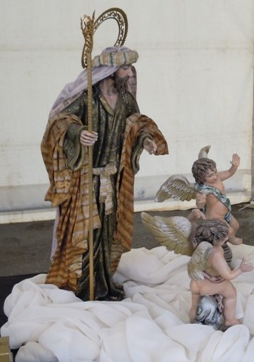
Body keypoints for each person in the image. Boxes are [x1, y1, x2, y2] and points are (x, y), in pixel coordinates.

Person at [42, 46, 168, 301]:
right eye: (125, 68)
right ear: (109, 70)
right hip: (85, 181)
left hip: (112, 179)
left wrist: (145, 140)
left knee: (107, 233)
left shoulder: (125, 99)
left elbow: (136, 123)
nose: (130, 73)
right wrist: (77, 133)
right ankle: (84, 286)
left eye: (130, 68)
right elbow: (59, 121)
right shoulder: (87, 98)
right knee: (87, 233)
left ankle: (104, 282)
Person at [188, 219, 253, 328]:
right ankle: (230, 320)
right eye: (224, 237)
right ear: (216, 239)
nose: (227, 238)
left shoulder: (198, 245)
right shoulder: (216, 253)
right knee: (231, 294)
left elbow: (194, 263)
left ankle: (192, 319)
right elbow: (228, 275)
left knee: (195, 302)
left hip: (197, 281)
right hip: (211, 283)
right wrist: (241, 269)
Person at [191, 153, 242, 244]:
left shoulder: (217, 178)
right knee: (229, 231)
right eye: (210, 175)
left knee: (235, 226)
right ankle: (231, 240)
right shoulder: (203, 189)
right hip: (215, 217)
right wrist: (201, 201)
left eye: (215, 172)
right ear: (201, 178)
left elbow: (229, 172)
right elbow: (199, 205)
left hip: (225, 213)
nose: (215, 176)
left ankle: (227, 239)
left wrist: (234, 166)